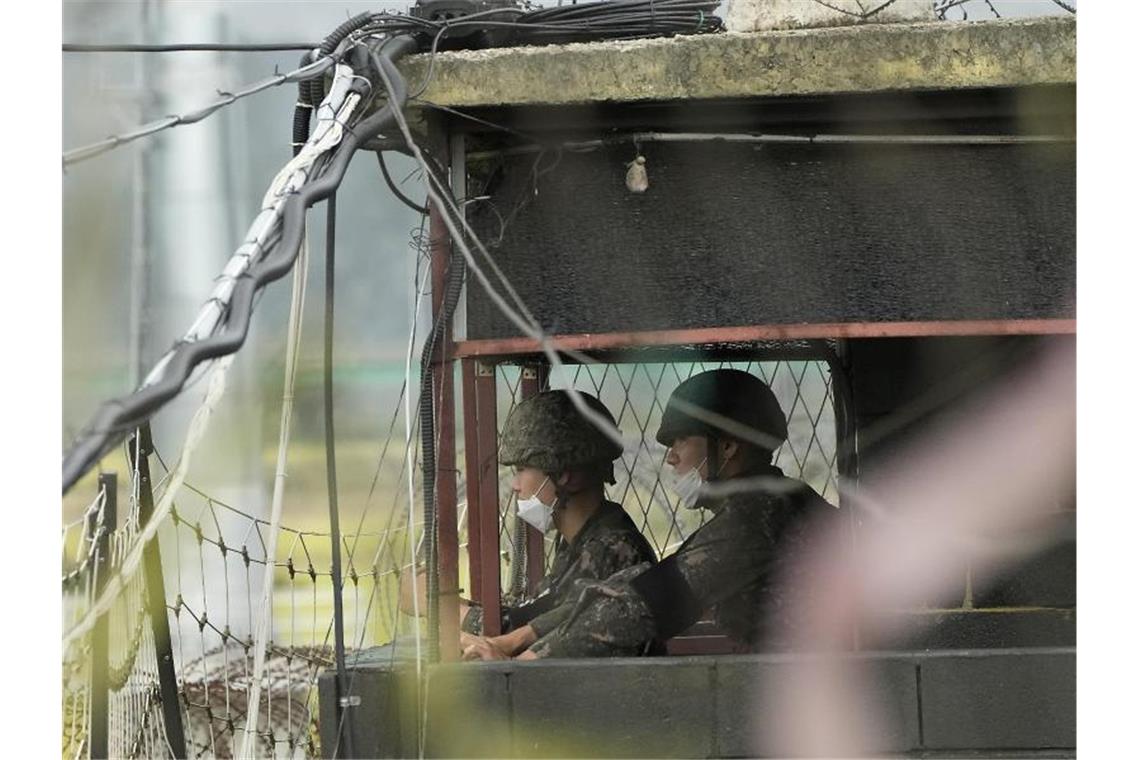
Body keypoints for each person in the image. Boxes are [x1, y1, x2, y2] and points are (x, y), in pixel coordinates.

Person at [469, 368, 838, 660]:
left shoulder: (757, 517)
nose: (670, 457)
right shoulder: (766, 504)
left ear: (726, 447)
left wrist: (528, 661)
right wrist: (518, 639)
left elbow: (649, 603)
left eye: (680, 441)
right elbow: (642, 581)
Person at [447, 389, 657, 660]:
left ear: (564, 475)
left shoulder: (612, 548)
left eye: (522, 470)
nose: (515, 486)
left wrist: (445, 607)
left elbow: (527, 632)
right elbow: (539, 615)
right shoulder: (578, 541)